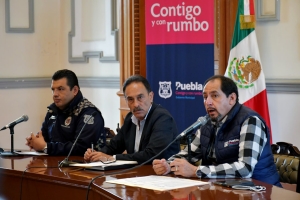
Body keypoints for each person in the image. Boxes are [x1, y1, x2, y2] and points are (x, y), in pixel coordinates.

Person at [152, 75, 281, 186]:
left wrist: (197, 171)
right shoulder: (207, 123)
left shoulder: (250, 121)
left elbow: (245, 169)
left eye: (214, 96)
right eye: (204, 97)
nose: (208, 102)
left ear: (232, 99)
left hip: (259, 191)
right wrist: (168, 165)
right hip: (223, 190)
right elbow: (188, 154)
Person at [84, 75, 180, 164]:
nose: (136, 104)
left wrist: (112, 158)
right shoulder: (130, 118)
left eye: (140, 97)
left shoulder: (162, 118)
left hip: (161, 176)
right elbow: (114, 146)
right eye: (130, 99)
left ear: (151, 97)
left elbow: (152, 155)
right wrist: (96, 154)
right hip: (135, 175)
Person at [25, 69, 105, 156]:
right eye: (53, 90)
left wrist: (46, 147)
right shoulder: (53, 110)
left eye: (60, 89)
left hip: (82, 166)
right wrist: (35, 142)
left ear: (74, 90)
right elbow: (43, 138)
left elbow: (81, 148)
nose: (55, 94)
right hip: (55, 164)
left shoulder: (89, 113)